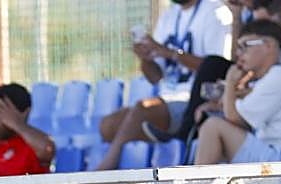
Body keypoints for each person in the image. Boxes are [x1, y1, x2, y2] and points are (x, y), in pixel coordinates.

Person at [95, 0, 233, 170]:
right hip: (166, 99)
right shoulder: (169, 15)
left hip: (195, 101)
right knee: (107, 126)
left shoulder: (216, 12)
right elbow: (155, 77)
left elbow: (217, 66)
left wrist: (171, 53)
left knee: (142, 109)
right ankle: (135, 180)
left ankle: (102, 171)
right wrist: (145, 57)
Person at [194, 19, 281, 164]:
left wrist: (230, 83)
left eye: (245, 46)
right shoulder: (280, 76)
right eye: (238, 48)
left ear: (268, 46)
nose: (238, 54)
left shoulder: (275, 80)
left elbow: (234, 118)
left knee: (212, 127)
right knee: (210, 141)